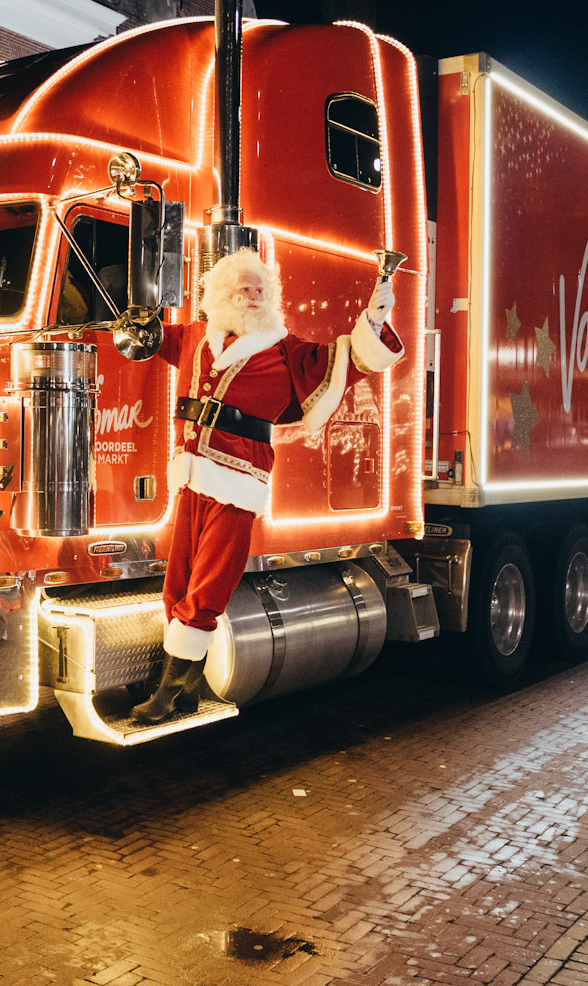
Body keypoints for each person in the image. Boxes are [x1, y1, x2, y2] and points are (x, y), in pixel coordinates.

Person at [129, 248, 403, 723]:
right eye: (243, 288)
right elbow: (146, 339)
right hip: (191, 477)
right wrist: (130, 323)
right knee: (178, 582)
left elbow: (347, 358)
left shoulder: (285, 350)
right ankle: (189, 688)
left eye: (260, 290)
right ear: (222, 294)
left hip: (238, 484)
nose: (252, 296)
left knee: (208, 587)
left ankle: (166, 694)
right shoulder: (196, 336)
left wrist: (374, 317)